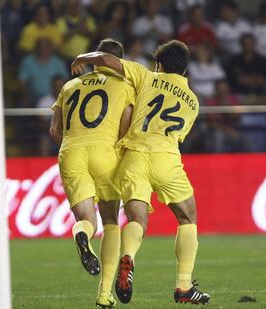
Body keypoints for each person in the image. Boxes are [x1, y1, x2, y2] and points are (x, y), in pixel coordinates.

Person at [71, 40, 210, 305]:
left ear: (159, 64)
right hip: (165, 158)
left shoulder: (145, 76)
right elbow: (177, 136)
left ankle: (129, 257)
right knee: (187, 217)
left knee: (136, 217)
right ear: (184, 69)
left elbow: (106, 59)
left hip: (133, 156)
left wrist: (82, 57)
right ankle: (183, 286)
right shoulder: (192, 101)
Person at [49, 38, 135, 308]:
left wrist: (74, 143)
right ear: (117, 60)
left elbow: (54, 130)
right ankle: (104, 295)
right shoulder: (124, 85)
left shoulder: (69, 85)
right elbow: (125, 125)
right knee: (110, 221)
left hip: (70, 151)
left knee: (87, 219)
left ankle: (81, 233)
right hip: (105, 151)